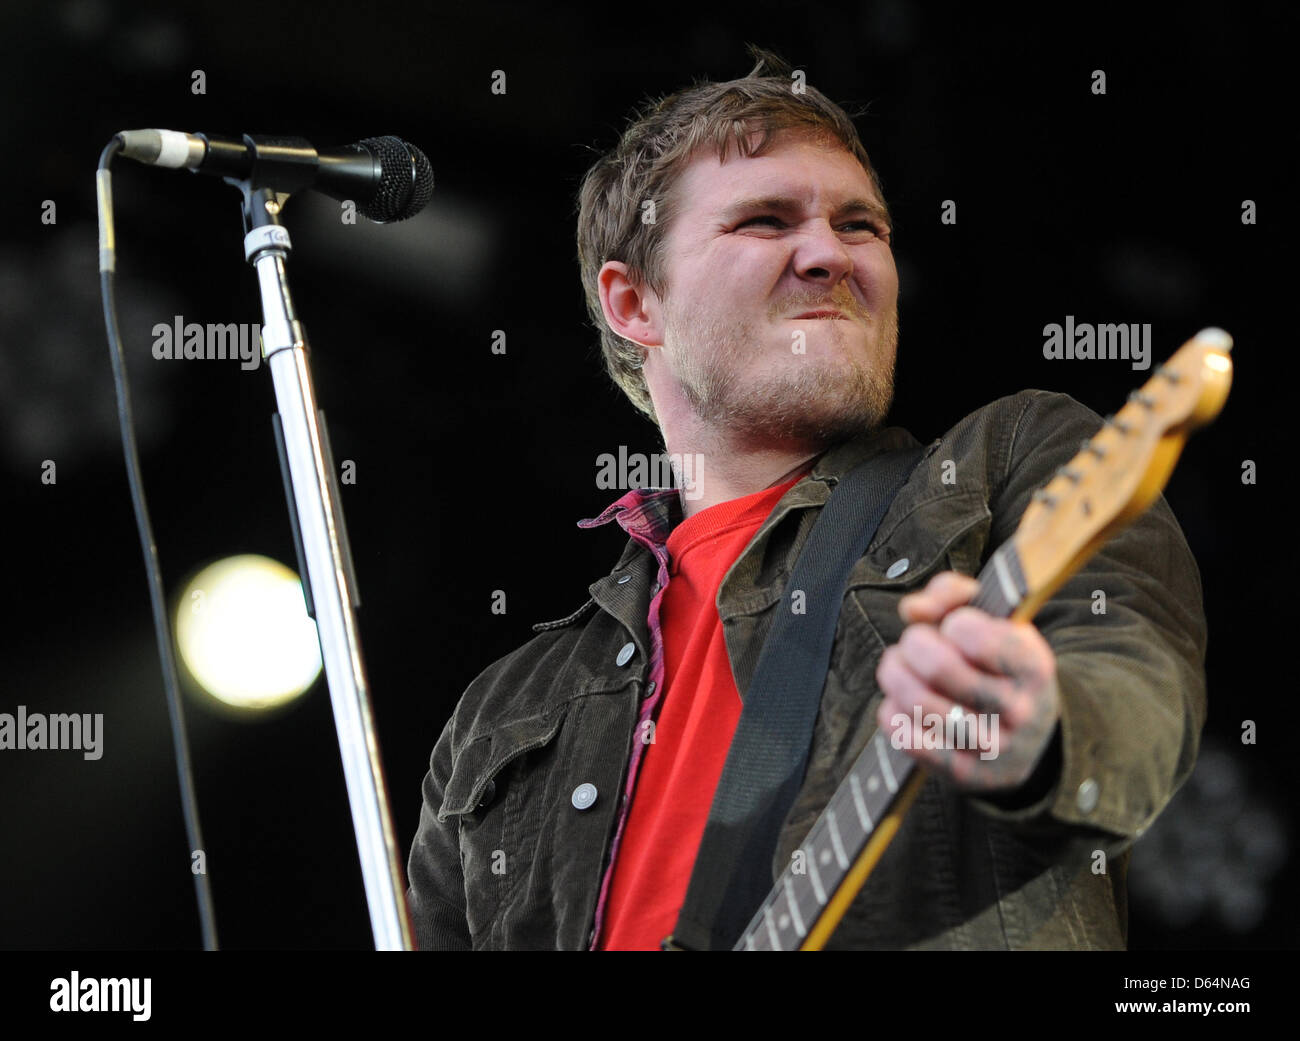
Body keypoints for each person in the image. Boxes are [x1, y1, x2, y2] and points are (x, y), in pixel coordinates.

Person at [405, 46, 1207, 950]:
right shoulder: (500, 712)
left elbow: (1139, 687)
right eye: (764, 220)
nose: (830, 252)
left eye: (862, 225)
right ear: (636, 305)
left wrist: (1045, 732)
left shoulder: (1009, 458)